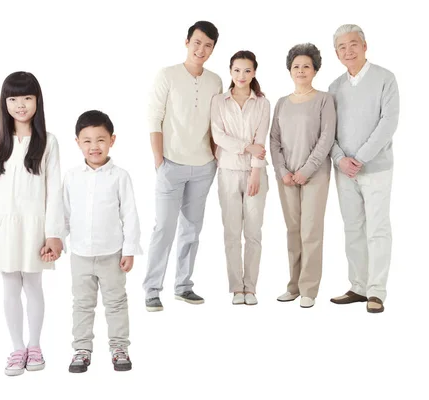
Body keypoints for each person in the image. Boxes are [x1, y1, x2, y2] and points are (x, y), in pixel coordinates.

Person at [0, 71, 64, 376]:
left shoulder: (48, 142)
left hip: (35, 225)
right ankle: (16, 348)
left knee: (34, 284)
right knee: (10, 285)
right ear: (5, 102)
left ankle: (35, 345)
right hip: (2, 224)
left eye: (27, 97)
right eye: (13, 98)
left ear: (37, 100)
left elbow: (54, 191)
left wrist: (53, 233)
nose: (20, 104)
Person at [143, 21, 223, 311]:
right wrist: (158, 160)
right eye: (197, 42)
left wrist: (215, 156)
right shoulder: (168, 75)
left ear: (213, 49)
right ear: (187, 41)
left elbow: (217, 123)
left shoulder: (215, 81)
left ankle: (183, 286)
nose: (201, 49)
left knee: (192, 229)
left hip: (203, 166)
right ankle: (152, 289)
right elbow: (154, 118)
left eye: (208, 45)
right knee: (163, 229)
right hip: (171, 164)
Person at [62, 110, 142, 372]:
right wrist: (57, 241)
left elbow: (129, 214)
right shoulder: (72, 177)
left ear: (112, 140)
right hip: (80, 254)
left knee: (116, 301)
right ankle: (81, 349)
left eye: (100, 139)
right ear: (77, 143)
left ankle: (120, 347)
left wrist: (129, 250)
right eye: (87, 140)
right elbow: (64, 213)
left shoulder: (120, 176)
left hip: (112, 254)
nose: (94, 146)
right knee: (82, 303)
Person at [328, 24, 399, 313]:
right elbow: (327, 131)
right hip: (344, 170)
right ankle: (358, 286)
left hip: (376, 167)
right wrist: (340, 159)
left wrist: (361, 158)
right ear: (336, 53)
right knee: (353, 227)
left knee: (377, 228)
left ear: (365, 46)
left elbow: (389, 121)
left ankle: (376, 291)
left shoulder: (385, 78)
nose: (348, 50)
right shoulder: (335, 87)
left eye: (353, 44)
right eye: (342, 47)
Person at [271, 44, 336, 309]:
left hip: (314, 176)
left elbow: (326, 137)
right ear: (289, 70)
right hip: (286, 177)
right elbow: (274, 139)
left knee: (311, 231)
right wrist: (283, 172)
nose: (300, 70)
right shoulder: (282, 102)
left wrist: (305, 171)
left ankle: (309, 289)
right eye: (296, 66)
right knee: (293, 231)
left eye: (306, 66)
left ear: (315, 70)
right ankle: (293, 286)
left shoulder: (324, 99)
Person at [211, 50, 270, 306]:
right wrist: (247, 147)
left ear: (254, 71)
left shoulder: (263, 103)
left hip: (255, 172)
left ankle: (251, 287)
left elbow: (262, 140)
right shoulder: (219, 101)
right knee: (232, 233)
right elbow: (218, 136)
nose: (242, 75)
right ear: (230, 71)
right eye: (237, 70)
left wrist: (256, 170)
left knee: (254, 232)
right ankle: (237, 287)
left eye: (247, 70)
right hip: (227, 171)